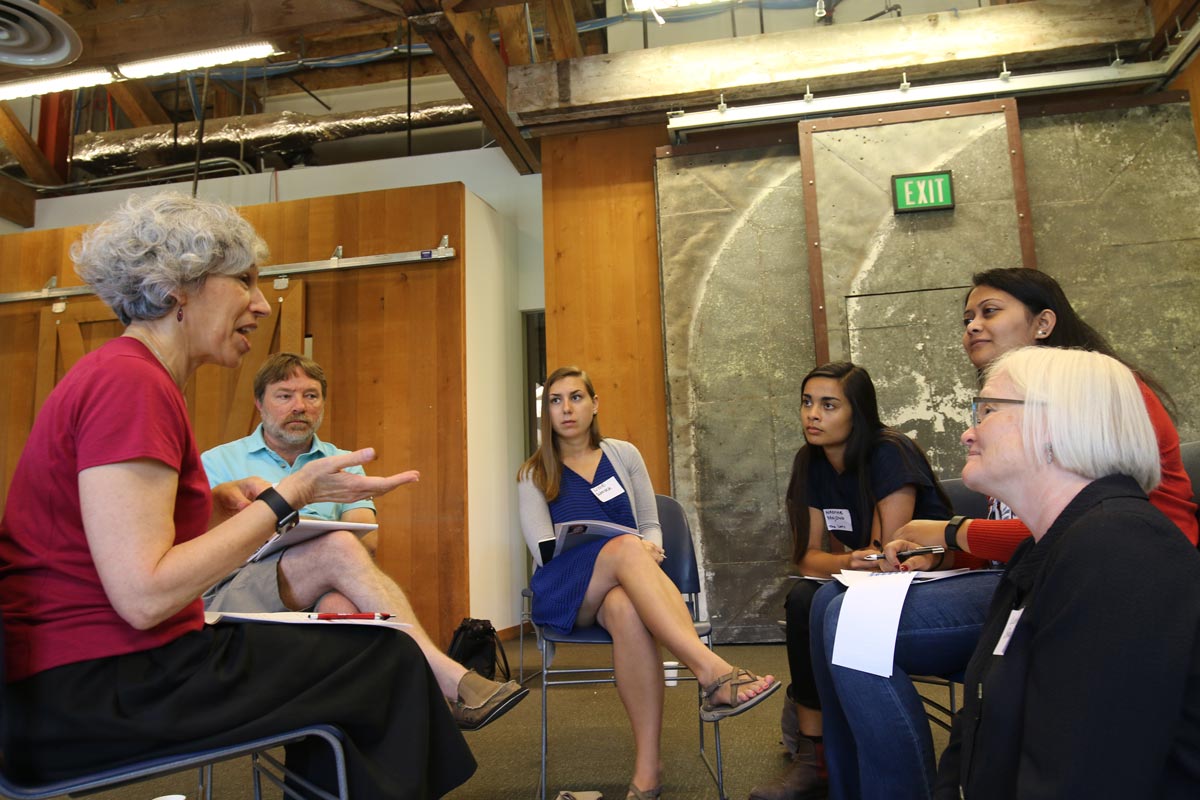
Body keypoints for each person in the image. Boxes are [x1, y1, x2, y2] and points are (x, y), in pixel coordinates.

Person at [0, 193, 475, 798]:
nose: (259, 301)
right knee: (380, 660)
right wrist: (287, 496)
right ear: (178, 289)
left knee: (368, 655)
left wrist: (218, 505)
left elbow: (112, 546)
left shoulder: (125, 374)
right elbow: (146, 596)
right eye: (244, 280)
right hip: (96, 689)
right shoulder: (130, 384)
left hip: (84, 677)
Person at [810, 267, 1198, 800]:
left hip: (1103, 582)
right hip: (1037, 568)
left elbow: (1085, 767)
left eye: (988, 410)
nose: (972, 326)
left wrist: (951, 532)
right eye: (968, 316)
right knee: (826, 604)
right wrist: (946, 551)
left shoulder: (1119, 543)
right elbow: (1029, 540)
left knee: (848, 619)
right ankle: (844, 780)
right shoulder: (1051, 538)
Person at [201, 352, 527, 730]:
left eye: (311, 395)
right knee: (336, 547)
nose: (299, 406)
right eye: (284, 395)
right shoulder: (218, 462)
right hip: (239, 592)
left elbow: (366, 541)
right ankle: (444, 681)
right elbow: (207, 544)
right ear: (259, 403)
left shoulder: (339, 460)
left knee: (340, 600)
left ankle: (340, 742)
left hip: (316, 587)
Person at [934, 346, 1200, 797]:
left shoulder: (1120, 550)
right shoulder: (1047, 548)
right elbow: (978, 717)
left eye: (988, 410)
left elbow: (1085, 779)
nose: (967, 433)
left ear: (1057, 427)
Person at [517, 366, 780, 800]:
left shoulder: (623, 455)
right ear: (548, 411)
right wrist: (627, 548)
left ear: (594, 404)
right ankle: (712, 673)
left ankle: (647, 774)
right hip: (566, 588)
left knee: (625, 607)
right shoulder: (533, 472)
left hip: (623, 581)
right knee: (624, 547)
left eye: (576, 397)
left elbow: (650, 524)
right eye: (556, 400)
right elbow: (544, 551)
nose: (566, 408)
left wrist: (652, 548)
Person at [749, 362, 952, 800]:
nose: (812, 415)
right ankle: (815, 755)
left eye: (828, 405)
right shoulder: (810, 461)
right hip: (863, 578)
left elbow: (888, 553)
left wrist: (848, 561)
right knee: (802, 597)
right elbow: (805, 554)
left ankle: (819, 735)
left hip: (927, 580)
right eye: (807, 403)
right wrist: (847, 560)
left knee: (813, 600)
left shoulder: (889, 452)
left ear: (857, 412)